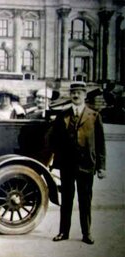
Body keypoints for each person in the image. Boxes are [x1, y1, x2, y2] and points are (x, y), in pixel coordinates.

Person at [50, 81, 106, 245]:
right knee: (66, 199)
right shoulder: (63, 115)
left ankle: (86, 233)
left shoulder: (94, 115)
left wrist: (101, 166)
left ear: (84, 95)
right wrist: (57, 157)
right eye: (73, 93)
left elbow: (101, 143)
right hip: (67, 165)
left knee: (85, 200)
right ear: (70, 95)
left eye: (79, 93)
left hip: (87, 165)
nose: (76, 95)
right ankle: (63, 232)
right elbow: (54, 139)